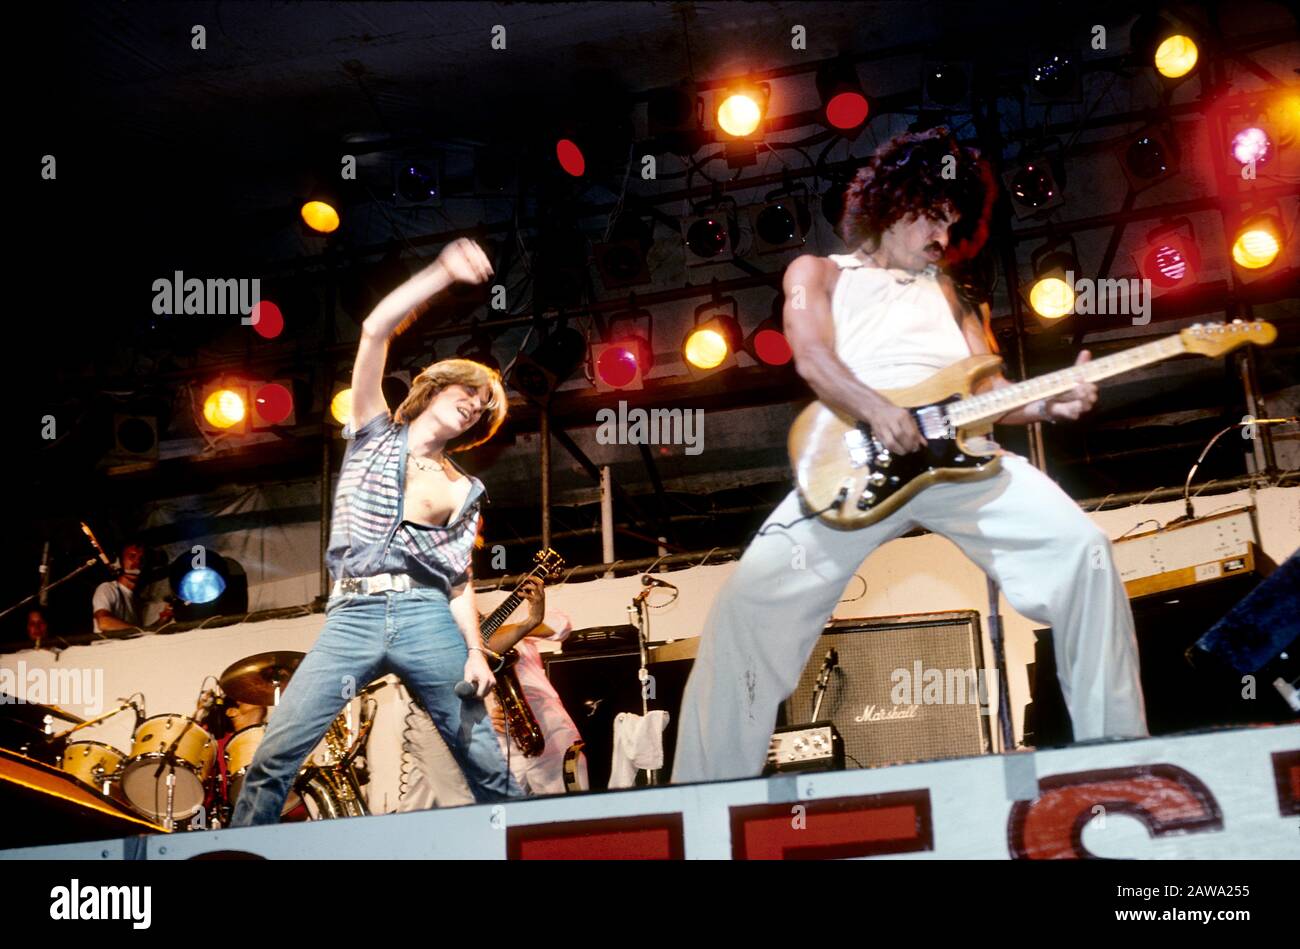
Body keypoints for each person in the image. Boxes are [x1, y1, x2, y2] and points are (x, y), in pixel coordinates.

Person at [673, 127, 1148, 784]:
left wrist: (1049, 404)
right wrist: (874, 407)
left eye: (953, 225)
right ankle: (704, 800)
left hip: (962, 458)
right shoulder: (816, 273)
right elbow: (811, 355)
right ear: (892, 202)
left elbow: (991, 390)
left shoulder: (956, 295)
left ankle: (1119, 757)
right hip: (854, 457)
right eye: (932, 216)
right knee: (744, 610)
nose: (941, 238)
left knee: (1085, 551)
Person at [232, 237, 517, 826]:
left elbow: (458, 580)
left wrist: (475, 652)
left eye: (485, 406)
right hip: (353, 616)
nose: (475, 405)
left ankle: (527, 845)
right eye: (470, 391)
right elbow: (373, 329)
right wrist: (442, 272)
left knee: (485, 760)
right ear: (438, 387)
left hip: (425, 616)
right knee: (276, 754)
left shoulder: (465, 489)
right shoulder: (371, 430)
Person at [91, 541, 145, 633]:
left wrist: (164, 618)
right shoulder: (107, 588)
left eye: (142, 559)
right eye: (132, 556)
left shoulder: (136, 600)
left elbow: (141, 634)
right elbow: (104, 623)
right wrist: (140, 631)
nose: (137, 562)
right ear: (119, 562)